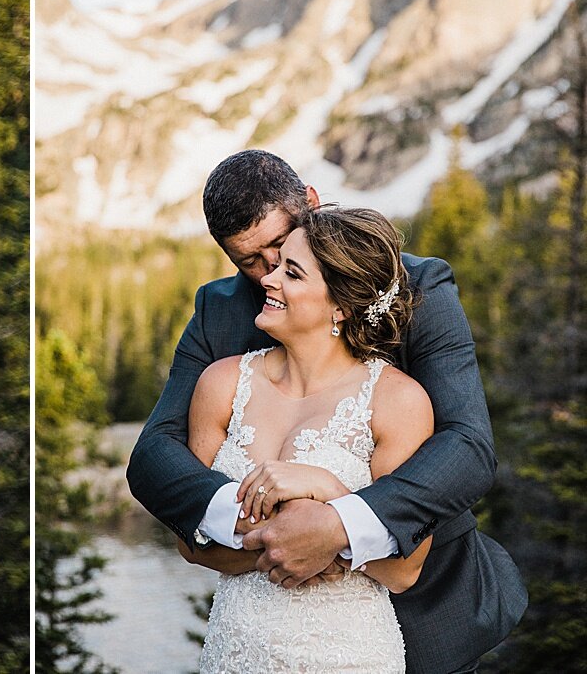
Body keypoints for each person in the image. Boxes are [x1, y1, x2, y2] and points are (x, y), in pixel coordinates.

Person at [128, 150, 524, 673]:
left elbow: (467, 446)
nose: (268, 273)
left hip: (425, 607)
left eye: (281, 250)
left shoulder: (419, 288)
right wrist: (257, 528)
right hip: (256, 625)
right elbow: (156, 452)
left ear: (311, 206)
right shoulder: (219, 314)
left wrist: (339, 526)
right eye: (250, 261)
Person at [183, 205, 429, 671]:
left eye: (291, 273)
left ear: (341, 306)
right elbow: (189, 542)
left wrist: (333, 498)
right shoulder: (221, 384)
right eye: (275, 267)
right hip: (236, 650)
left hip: (348, 654)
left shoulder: (398, 401)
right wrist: (297, 540)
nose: (268, 280)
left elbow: (403, 570)